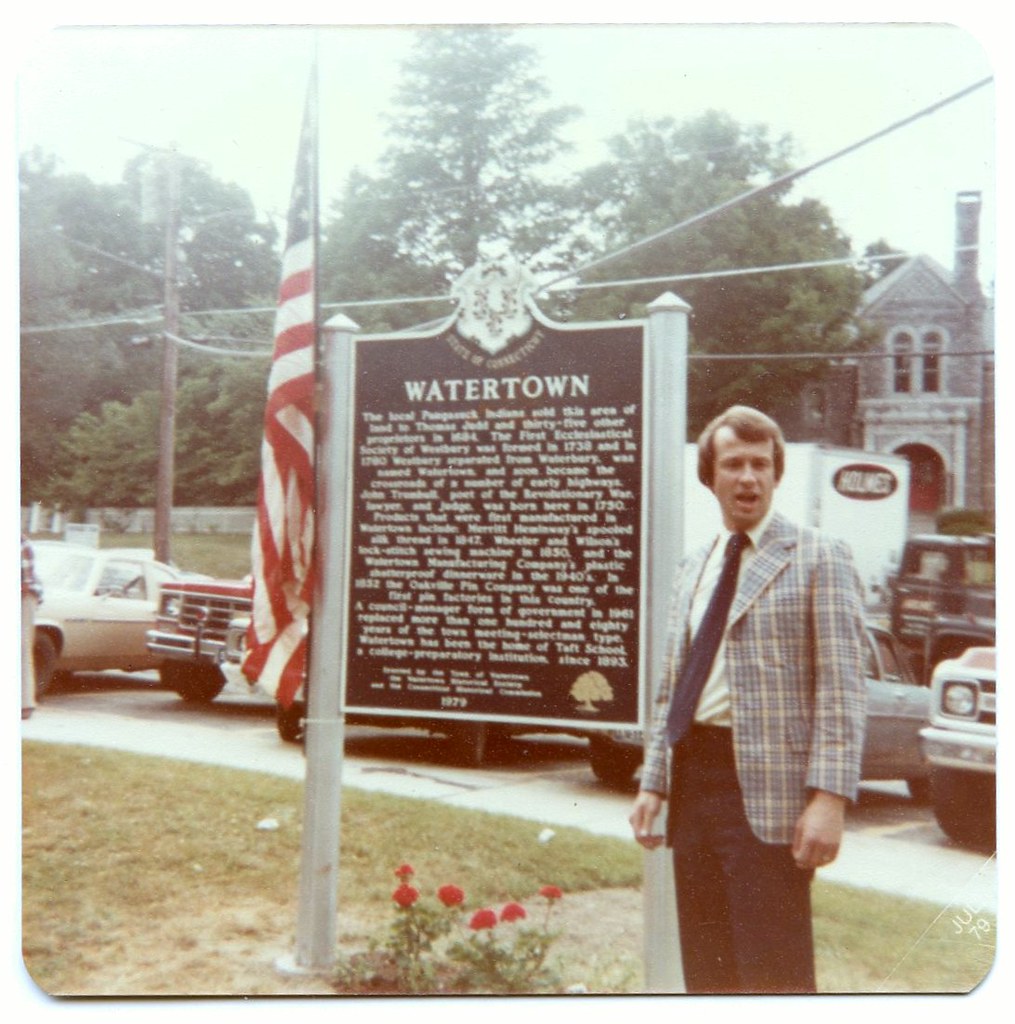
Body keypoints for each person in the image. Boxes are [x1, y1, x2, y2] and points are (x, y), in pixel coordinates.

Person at [629, 405, 866, 994]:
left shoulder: (818, 556)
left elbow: (843, 687)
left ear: (776, 474)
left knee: (773, 974)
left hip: (769, 798)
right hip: (694, 785)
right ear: (710, 477)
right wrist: (653, 782)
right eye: (733, 464)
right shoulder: (695, 565)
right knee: (707, 970)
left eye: (761, 464)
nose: (748, 478)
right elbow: (673, 688)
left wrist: (829, 799)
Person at [22, 534, 43, 719]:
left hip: (24, 596)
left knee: (21, 647)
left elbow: (24, 584)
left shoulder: (20, 542)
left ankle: (25, 704)